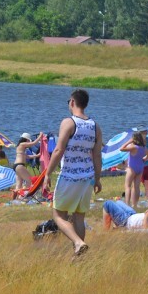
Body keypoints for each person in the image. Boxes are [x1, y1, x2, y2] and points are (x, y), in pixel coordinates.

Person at [44, 88, 103, 258]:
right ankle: (78, 255)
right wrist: (97, 179)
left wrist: (47, 173)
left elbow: (58, 150)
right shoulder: (95, 126)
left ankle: (78, 243)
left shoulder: (69, 122)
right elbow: (97, 155)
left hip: (69, 176)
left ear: (72, 102)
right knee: (79, 217)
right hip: (88, 178)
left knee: (58, 215)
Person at [120, 131, 148, 207]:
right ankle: (135, 204)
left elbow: (122, 148)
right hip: (140, 167)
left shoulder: (134, 147)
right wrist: (144, 159)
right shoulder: (143, 147)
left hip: (132, 168)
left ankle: (127, 204)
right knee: (136, 187)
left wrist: (128, 142)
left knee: (127, 186)